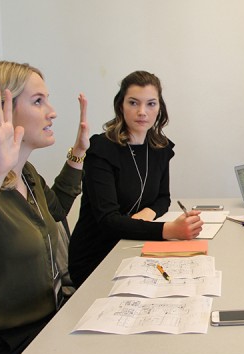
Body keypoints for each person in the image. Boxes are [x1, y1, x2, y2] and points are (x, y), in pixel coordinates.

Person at [0, 61, 206, 354]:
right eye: (38, 101)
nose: (52, 112)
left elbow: (55, 210)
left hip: (49, 325)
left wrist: (77, 154)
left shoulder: (25, 175)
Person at [68, 71, 202, 288]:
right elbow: (108, 220)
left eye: (151, 104)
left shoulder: (160, 147)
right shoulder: (101, 150)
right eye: (133, 103)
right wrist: (169, 230)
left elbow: (162, 198)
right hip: (97, 257)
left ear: (160, 108)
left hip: (136, 246)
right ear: (121, 105)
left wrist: (145, 215)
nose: (142, 112)